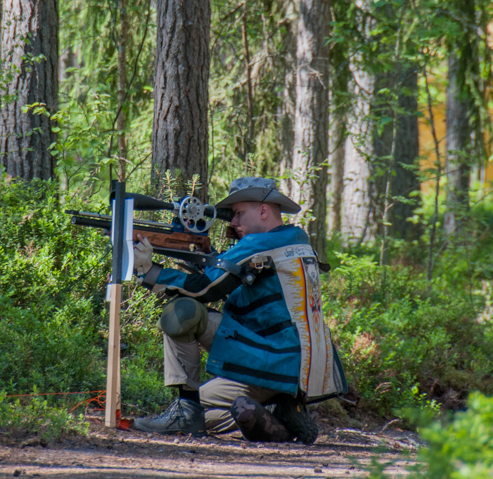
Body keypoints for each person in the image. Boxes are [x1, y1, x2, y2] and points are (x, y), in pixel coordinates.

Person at [130, 177, 347, 443]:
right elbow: (247, 292)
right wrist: (209, 258)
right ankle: (278, 417)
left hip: (273, 361)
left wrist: (148, 270)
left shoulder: (261, 244)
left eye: (239, 213)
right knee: (204, 412)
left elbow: (205, 290)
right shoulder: (295, 241)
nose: (233, 223)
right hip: (298, 370)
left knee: (183, 312)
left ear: (264, 211)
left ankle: (188, 410)